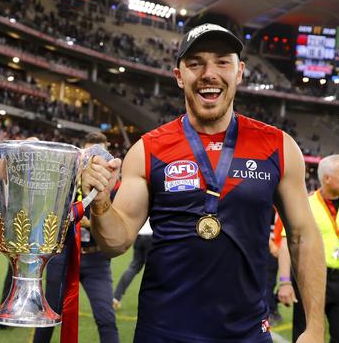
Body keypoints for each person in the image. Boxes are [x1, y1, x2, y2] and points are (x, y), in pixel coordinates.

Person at [82, 23, 326, 343]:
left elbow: (303, 236)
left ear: (239, 72)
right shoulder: (147, 149)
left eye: (222, 61)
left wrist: (316, 328)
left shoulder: (279, 147)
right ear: (179, 75)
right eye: (195, 63)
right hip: (163, 333)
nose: (209, 73)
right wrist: (100, 200)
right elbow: (116, 242)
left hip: (248, 334)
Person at [33, 132, 119, 343]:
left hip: (96, 259)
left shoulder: (114, 186)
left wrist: (94, 218)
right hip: (63, 255)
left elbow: (116, 229)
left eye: (100, 155)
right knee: (49, 317)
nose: (94, 161)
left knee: (106, 318)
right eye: (89, 154)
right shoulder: (65, 180)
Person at [278, 155, 339, 343]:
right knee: (307, 336)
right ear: (327, 178)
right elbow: (288, 245)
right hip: (309, 279)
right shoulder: (306, 204)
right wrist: (285, 281)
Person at [112, 218, 152, 310]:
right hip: (151, 236)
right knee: (153, 270)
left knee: (133, 267)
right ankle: (153, 301)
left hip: (139, 235)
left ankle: (116, 298)